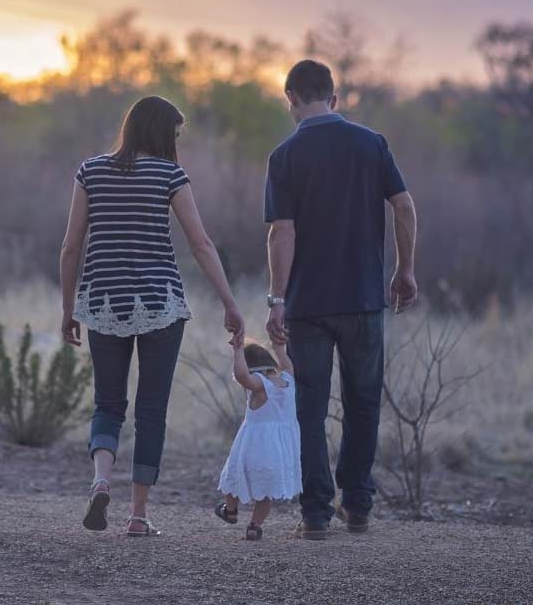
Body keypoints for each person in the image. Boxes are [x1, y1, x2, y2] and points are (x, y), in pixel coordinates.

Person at [59, 95, 245, 537]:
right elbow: (201, 244)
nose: (177, 142)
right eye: (176, 134)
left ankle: (101, 480)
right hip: (160, 304)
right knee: (151, 411)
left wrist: (69, 309)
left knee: (108, 403)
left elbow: (70, 247)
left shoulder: (90, 172)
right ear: (162, 132)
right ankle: (138, 516)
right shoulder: (170, 175)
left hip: (103, 303)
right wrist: (229, 302)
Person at [263, 60, 419, 540]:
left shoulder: (284, 156)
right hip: (364, 299)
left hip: (308, 305)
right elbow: (404, 206)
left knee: (309, 409)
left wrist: (276, 299)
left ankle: (315, 515)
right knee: (363, 403)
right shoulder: (371, 144)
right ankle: (358, 506)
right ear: (334, 97)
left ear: (290, 97)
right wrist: (405, 269)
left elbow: (281, 233)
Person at [214, 339, 301, 541]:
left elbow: (243, 376)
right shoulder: (289, 380)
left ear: (253, 369)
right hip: (279, 451)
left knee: (233, 477)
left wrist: (237, 352)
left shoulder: (260, 386)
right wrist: (279, 348)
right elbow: (287, 364)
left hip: (253, 447)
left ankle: (231, 510)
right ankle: (254, 526)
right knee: (266, 492)